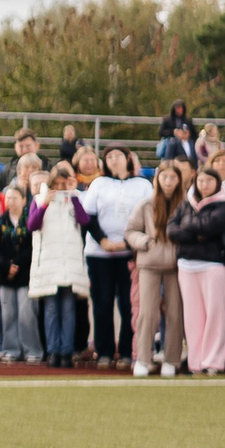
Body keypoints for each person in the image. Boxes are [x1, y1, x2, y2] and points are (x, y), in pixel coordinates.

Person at [82, 146, 150, 371]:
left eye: (117, 156)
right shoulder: (99, 184)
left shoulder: (143, 185)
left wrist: (128, 243)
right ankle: (104, 351)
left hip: (130, 253)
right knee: (102, 303)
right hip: (99, 253)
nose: (113, 160)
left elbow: (149, 217)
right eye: (108, 157)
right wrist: (103, 241)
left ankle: (129, 352)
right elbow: (88, 216)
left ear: (128, 158)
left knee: (129, 303)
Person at [169, 166, 225, 377]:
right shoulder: (185, 204)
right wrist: (195, 230)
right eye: (200, 181)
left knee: (214, 314)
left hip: (214, 265)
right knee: (192, 316)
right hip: (187, 265)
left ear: (217, 184)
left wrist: (190, 228)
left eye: (209, 181)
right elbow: (172, 230)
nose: (204, 185)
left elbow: (211, 226)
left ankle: (213, 361)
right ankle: (195, 362)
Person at [26, 163, 92, 368]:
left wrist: (73, 197)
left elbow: (84, 220)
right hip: (49, 262)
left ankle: (66, 352)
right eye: (58, 183)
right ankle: (53, 350)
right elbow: (32, 225)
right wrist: (45, 204)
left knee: (68, 309)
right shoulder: (39, 200)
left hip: (70, 263)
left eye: (65, 183)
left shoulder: (76, 200)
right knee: (52, 309)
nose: (61, 187)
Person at [126, 159, 187, 377]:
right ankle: (143, 358)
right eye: (164, 177)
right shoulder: (145, 204)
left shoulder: (186, 204)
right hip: (149, 264)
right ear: (157, 179)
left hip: (177, 265)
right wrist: (145, 242)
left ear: (179, 180)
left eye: (173, 177)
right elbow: (131, 231)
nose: (168, 181)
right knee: (147, 313)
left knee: (174, 314)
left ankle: (171, 359)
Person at [0, 185, 33, 361]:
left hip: (25, 274)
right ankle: (11, 350)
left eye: (15, 198)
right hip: (4, 275)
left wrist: (18, 263)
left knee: (26, 314)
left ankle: (31, 350)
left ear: (23, 200)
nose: (11, 201)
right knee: (8, 315)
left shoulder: (30, 222)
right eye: (8, 198)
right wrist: (6, 265)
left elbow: (32, 246)